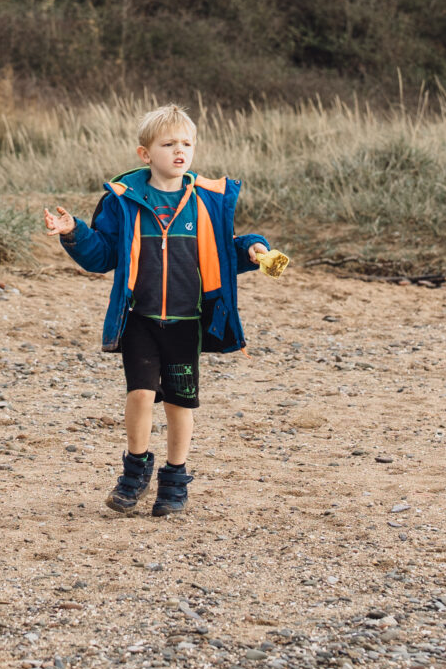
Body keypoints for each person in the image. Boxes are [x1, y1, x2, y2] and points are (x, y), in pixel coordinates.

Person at [43, 104, 286, 517]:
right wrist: (75, 233)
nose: (179, 151)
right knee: (139, 393)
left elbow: (225, 250)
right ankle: (135, 470)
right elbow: (103, 255)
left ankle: (175, 477)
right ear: (145, 154)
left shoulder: (206, 201)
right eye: (168, 144)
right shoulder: (124, 201)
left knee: (180, 402)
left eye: (186, 144)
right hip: (140, 318)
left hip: (186, 322)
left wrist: (254, 247)